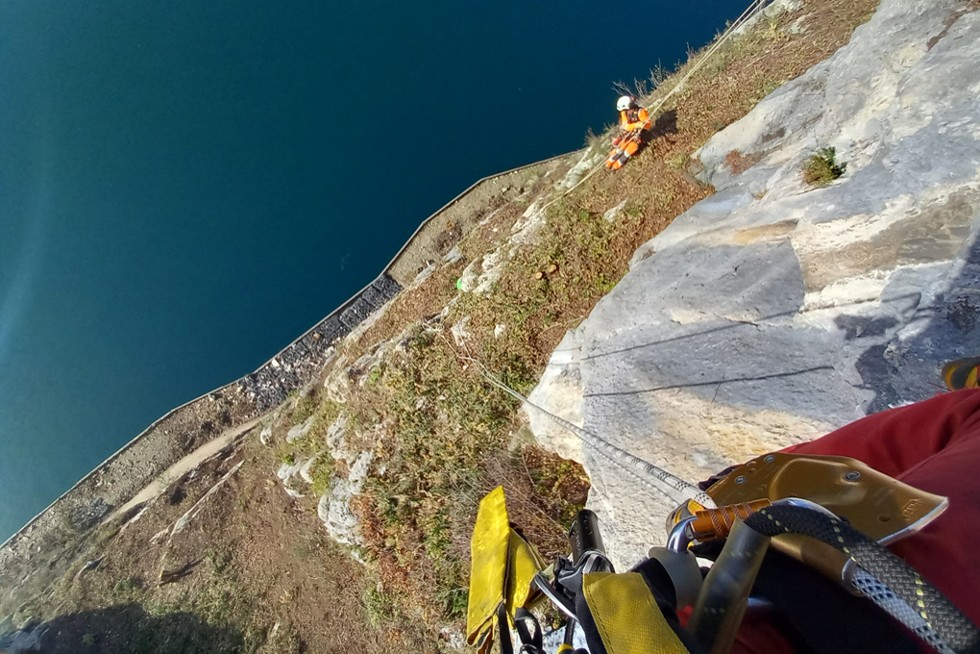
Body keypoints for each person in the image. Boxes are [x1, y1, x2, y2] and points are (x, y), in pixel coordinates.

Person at [605, 95, 651, 170]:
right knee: (622, 145)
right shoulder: (624, 113)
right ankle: (610, 161)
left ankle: (619, 162)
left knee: (633, 146)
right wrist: (636, 125)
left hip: (639, 134)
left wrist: (644, 125)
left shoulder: (641, 112)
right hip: (629, 134)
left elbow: (648, 125)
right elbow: (625, 126)